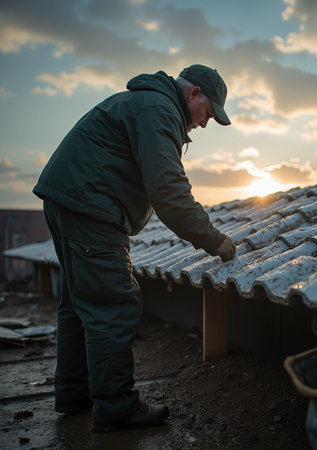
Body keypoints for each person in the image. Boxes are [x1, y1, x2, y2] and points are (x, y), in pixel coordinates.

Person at [33, 64, 236, 433]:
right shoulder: (158, 110)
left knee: (80, 304)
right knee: (115, 302)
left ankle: (74, 394)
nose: (205, 124)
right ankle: (115, 408)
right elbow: (168, 191)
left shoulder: (147, 103)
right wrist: (214, 240)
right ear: (193, 94)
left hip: (69, 199)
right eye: (207, 113)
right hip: (91, 206)